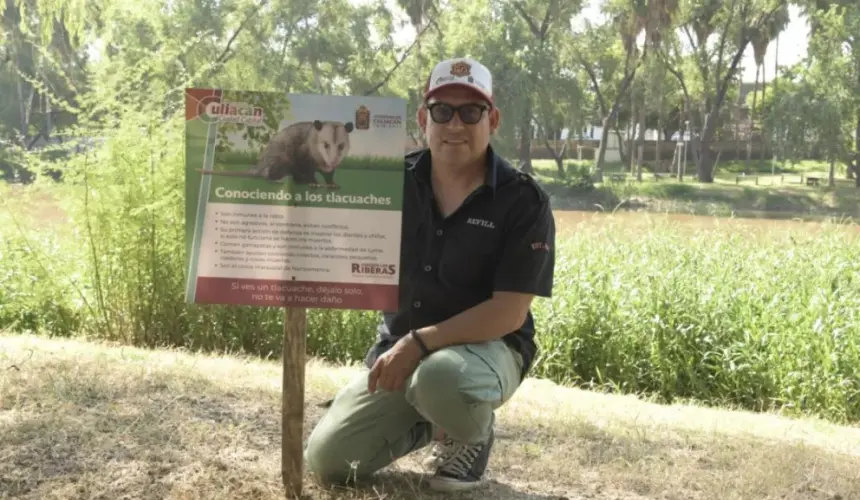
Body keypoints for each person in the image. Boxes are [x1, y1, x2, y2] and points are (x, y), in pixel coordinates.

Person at [303, 56, 556, 493]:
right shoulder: (390, 182)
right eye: (442, 111)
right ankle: (429, 417)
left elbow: (509, 313)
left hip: (487, 350)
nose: (454, 124)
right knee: (328, 462)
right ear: (424, 118)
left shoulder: (524, 200)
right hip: (404, 351)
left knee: (440, 377)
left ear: (491, 119)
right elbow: (329, 222)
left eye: (470, 111)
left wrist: (417, 342)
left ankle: (468, 431)